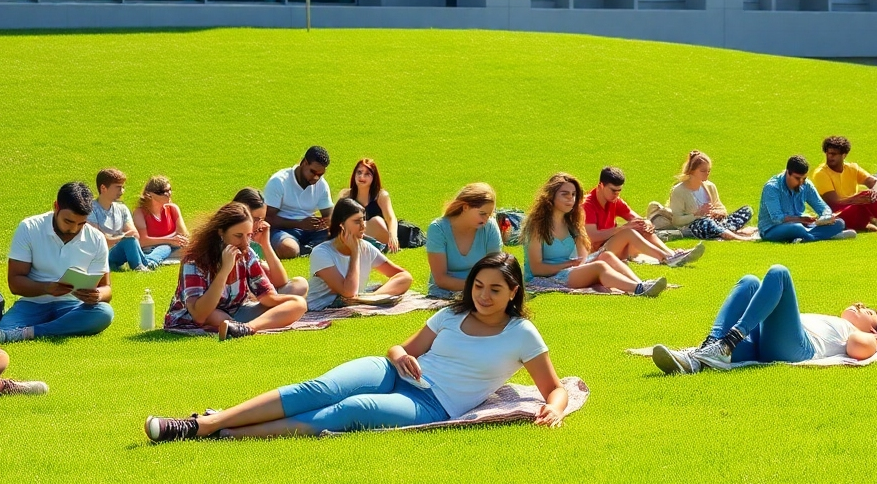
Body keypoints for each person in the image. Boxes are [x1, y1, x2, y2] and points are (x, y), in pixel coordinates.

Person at [145, 252, 568, 441]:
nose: (483, 295)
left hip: (434, 405)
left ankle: (224, 432)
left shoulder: (521, 335)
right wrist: (402, 356)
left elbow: (554, 387)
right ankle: (204, 424)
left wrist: (556, 407)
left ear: (514, 293)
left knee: (353, 411)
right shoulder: (451, 315)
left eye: (495, 289)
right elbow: (400, 350)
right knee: (320, 389)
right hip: (395, 374)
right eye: (478, 285)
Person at [651, 264, 877, 374]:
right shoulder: (838, 323)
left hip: (798, 349)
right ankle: (703, 355)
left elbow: (859, 349)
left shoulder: (859, 336)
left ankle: (725, 344)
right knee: (749, 282)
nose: (860, 306)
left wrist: (875, 340)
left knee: (779, 273)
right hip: (766, 342)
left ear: (874, 331)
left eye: (868, 312)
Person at [0, 182, 114, 344]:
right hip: (32, 304)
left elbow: (106, 288)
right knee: (4, 328)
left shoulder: (96, 238)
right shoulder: (29, 228)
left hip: (72, 307)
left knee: (104, 312)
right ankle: (48, 328)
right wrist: (47, 288)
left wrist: (97, 295)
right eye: (68, 221)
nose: (74, 229)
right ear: (56, 207)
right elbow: (15, 283)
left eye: (81, 223)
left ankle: (28, 332)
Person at [164, 202, 307, 341]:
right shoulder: (195, 260)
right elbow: (199, 314)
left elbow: (267, 297)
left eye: (249, 235)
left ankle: (245, 328)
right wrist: (224, 271)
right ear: (221, 233)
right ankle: (235, 327)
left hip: (236, 312)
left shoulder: (247, 253)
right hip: (201, 315)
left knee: (298, 303)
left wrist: (285, 303)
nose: (245, 242)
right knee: (215, 316)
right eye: (238, 236)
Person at [522, 173, 667, 297]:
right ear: (551, 196)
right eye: (564, 194)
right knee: (600, 266)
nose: (570, 199)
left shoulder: (572, 223)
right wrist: (570, 264)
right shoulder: (537, 226)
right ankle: (638, 289)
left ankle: (640, 284)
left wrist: (581, 262)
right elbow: (536, 269)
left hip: (569, 270)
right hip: (545, 278)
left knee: (606, 256)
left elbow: (583, 256)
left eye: (573, 195)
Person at [583, 166, 703, 267]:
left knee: (640, 226)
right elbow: (592, 237)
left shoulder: (614, 200)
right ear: (601, 186)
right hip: (594, 254)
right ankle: (666, 257)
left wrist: (646, 223)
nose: (616, 195)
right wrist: (622, 228)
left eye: (619, 191)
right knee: (628, 232)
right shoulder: (587, 204)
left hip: (613, 248)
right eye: (613, 191)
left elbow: (635, 218)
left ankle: (671, 254)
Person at [306, 198, 413, 310]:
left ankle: (368, 299)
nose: (363, 226)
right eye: (357, 222)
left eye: (363, 220)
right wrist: (355, 253)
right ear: (341, 225)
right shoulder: (321, 253)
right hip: (322, 306)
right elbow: (348, 293)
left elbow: (404, 276)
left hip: (355, 300)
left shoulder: (365, 247)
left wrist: (372, 297)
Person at [810, 137, 877, 236]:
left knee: (872, 193)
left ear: (844, 155)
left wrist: (876, 192)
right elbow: (834, 201)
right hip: (836, 217)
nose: (829, 157)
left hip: (854, 212)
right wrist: (856, 199)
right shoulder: (820, 173)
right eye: (828, 153)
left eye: (834, 154)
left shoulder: (852, 168)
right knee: (867, 194)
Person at [426, 183, 504, 298]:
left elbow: (495, 269)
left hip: (483, 289)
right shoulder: (438, 229)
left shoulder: (490, 226)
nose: (486, 219)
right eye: (482, 214)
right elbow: (441, 279)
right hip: (444, 292)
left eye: (489, 215)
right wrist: (477, 287)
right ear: (465, 207)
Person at [231, 188, 309, 298]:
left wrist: (265, 244)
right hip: (235, 296)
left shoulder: (254, 243)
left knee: (300, 284)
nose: (258, 225)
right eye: (254, 219)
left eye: (261, 219)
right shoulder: (227, 239)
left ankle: (273, 308)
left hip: (257, 294)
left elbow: (280, 282)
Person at [757, 155, 852, 243]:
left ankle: (804, 237)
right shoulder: (772, 188)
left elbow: (822, 206)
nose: (801, 182)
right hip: (772, 229)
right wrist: (801, 219)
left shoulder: (806, 185)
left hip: (803, 226)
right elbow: (777, 218)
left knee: (839, 222)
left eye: (804, 178)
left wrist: (825, 217)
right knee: (796, 228)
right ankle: (823, 236)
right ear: (787, 173)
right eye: (797, 178)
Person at [668, 151, 756, 241]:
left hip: (716, 222)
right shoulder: (678, 191)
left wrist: (716, 212)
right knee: (706, 222)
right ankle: (736, 236)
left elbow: (722, 209)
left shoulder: (710, 186)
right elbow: (676, 221)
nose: (707, 174)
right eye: (703, 171)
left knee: (747, 210)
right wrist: (697, 215)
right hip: (694, 226)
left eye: (708, 171)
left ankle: (722, 231)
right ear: (691, 171)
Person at [264, 146, 333, 259]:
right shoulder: (279, 181)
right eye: (313, 172)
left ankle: (309, 247)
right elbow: (267, 218)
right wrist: (299, 223)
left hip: (312, 231)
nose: (316, 178)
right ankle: (310, 248)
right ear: (304, 163)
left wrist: (325, 222)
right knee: (289, 249)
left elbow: (330, 215)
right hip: (283, 231)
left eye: (320, 175)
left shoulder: (322, 185)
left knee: (341, 236)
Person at [88, 167, 158, 272]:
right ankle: (140, 266)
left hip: (120, 251)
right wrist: (123, 238)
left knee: (165, 248)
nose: (122, 191)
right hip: (102, 254)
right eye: (118, 187)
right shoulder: (91, 209)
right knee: (129, 241)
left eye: (123, 187)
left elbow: (134, 234)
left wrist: (121, 238)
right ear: (103, 188)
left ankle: (148, 262)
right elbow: (98, 240)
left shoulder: (122, 208)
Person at [337, 158, 401, 252]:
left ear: (374, 177)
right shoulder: (346, 195)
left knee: (377, 221)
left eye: (367, 174)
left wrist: (393, 236)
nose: (361, 176)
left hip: (379, 234)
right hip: (353, 234)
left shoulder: (381, 196)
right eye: (359, 172)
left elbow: (391, 218)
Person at [132, 175, 189, 265]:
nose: (169, 193)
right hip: (150, 248)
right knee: (165, 248)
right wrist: (170, 240)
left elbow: (184, 234)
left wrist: (179, 240)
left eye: (170, 189)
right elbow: (142, 241)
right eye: (164, 192)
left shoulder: (173, 209)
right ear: (149, 194)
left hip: (174, 247)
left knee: (194, 247)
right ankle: (150, 261)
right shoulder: (140, 213)